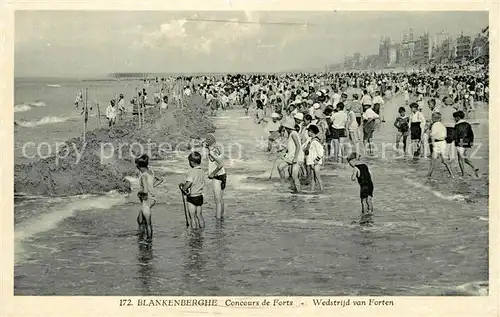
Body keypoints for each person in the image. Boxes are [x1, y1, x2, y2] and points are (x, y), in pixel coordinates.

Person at [135, 154, 163, 241]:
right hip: (152, 199)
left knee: (148, 223)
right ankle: (142, 236)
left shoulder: (143, 176)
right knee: (140, 219)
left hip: (146, 200)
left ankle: (148, 241)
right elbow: (160, 179)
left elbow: (145, 191)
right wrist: (152, 187)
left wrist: (139, 192)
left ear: (137, 165)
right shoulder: (151, 172)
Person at [179, 152, 205, 229]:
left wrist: (183, 188)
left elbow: (189, 183)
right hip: (200, 196)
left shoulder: (191, 171)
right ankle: (202, 230)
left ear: (192, 162)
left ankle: (194, 233)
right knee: (199, 215)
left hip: (192, 197)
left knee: (192, 217)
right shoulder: (201, 171)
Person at [277, 118, 304, 194]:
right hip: (291, 156)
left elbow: (298, 146)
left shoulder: (294, 134)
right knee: (280, 167)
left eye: (285, 128)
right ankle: (283, 183)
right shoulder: (291, 134)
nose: (285, 129)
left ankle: (299, 192)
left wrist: (295, 158)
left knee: (294, 175)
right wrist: (284, 151)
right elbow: (291, 146)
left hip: (297, 157)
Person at [205, 134, 227, 219]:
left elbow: (221, 164)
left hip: (217, 176)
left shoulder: (211, 152)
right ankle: (221, 218)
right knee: (221, 200)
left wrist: (212, 173)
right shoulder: (217, 149)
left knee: (217, 201)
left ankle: (218, 222)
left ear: (207, 144)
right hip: (223, 175)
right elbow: (222, 159)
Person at [453, 110, 480, 178]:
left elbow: (456, 136)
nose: (454, 119)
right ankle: (474, 167)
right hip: (467, 142)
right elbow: (471, 134)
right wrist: (471, 142)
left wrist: (456, 144)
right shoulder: (468, 124)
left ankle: (463, 174)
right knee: (464, 157)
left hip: (460, 142)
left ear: (458, 117)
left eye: (455, 117)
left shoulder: (457, 125)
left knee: (460, 159)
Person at [427, 112, 454, 178]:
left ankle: (429, 175)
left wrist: (432, 144)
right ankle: (451, 174)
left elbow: (432, 136)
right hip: (443, 142)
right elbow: (445, 135)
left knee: (433, 160)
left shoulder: (434, 125)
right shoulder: (442, 125)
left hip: (437, 143)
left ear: (434, 118)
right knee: (445, 160)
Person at [304, 125, 324, 192]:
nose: (307, 132)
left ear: (312, 132)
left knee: (318, 178)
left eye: (308, 131)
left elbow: (321, 151)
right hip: (311, 162)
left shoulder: (315, 141)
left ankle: (322, 190)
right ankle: (312, 190)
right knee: (313, 178)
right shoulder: (310, 140)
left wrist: (317, 160)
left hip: (316, 163)